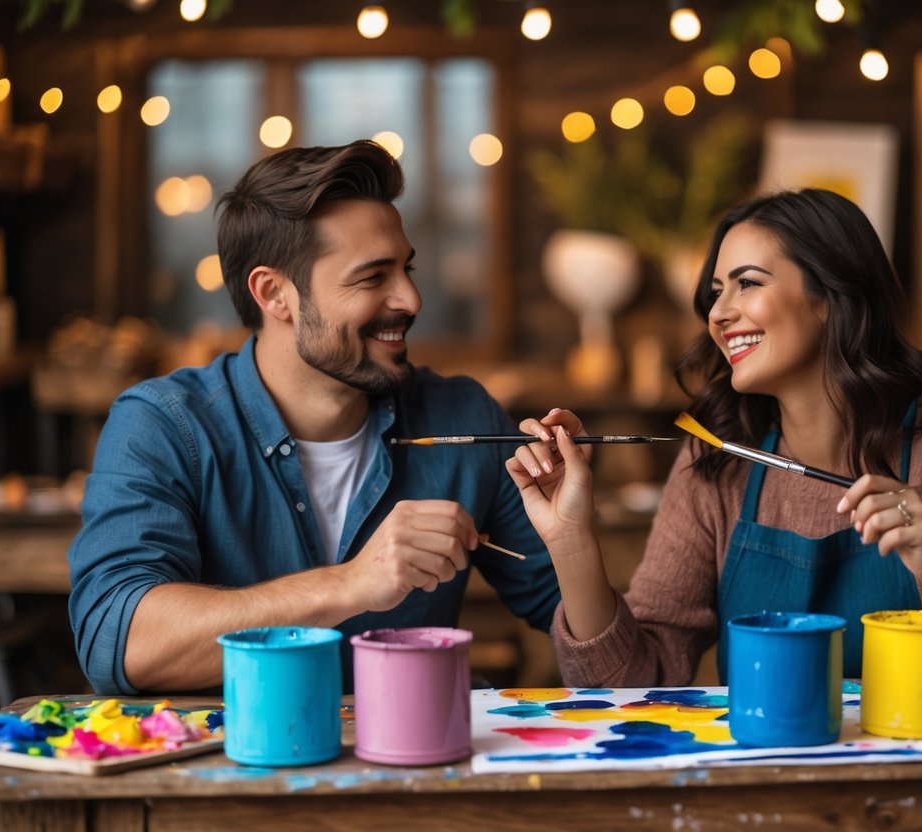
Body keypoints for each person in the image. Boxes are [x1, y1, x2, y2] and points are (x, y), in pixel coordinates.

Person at [506, 188, 922, 686]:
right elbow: (634, 681)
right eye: (715, 291)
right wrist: (571, 540)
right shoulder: (715, 456)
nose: (718, 314)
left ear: (831, 297)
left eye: (746, 284)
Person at [68, 140, 560, 695]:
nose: (411, 298)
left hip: (414, 748)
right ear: (274, 293)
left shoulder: (463, 417)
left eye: (406, 269)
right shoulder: (163, 426)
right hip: (227, 752)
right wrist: (350, 585)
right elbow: (120, 642)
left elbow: (589, 639)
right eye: (373, 277)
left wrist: (572, 536)